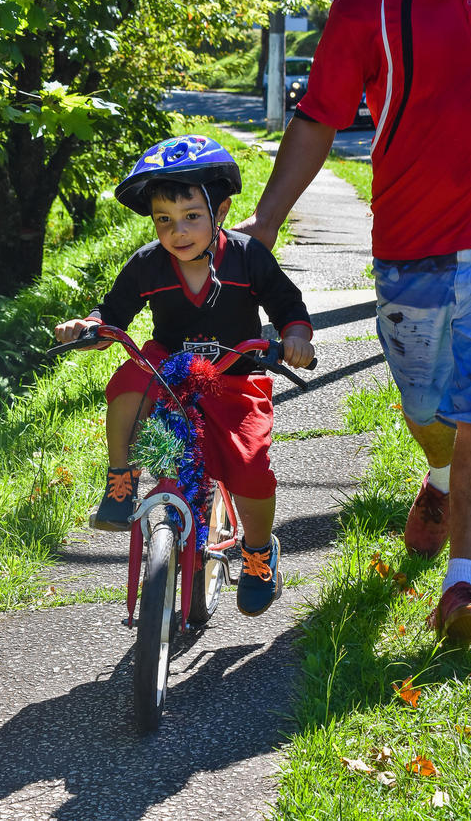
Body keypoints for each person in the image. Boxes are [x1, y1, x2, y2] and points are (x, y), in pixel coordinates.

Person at [236, 0, 471, 643]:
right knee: (430, 410)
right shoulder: (368, 3)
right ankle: (443, 477)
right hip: (411, 248)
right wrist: (266, 223)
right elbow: (320, 115)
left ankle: (462, 588)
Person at [54, 134, 315, 617]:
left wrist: (295, 337)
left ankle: (258, 553)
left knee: (252, 469)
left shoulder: (247, 256)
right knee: (128, 383)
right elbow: (113, 313)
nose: (178, 231)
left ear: (221, 209)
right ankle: (121, 479)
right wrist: (90, 326)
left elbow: (287, 305)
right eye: (164, 220)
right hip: (168, 366)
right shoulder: (147, 265)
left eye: (192, 216)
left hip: (237, 370)